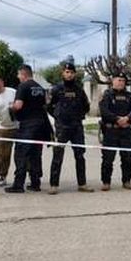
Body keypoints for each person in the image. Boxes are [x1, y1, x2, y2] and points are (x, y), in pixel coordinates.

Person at [47, 63, 94, 194]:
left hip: (76, 127)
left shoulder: (79, 90)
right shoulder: (56, 89)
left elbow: (86, 106)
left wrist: (77, 116)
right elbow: (49, 106)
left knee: (80, 156)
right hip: (62, 127)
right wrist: (58, 116)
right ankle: (54, 185)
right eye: (67, 72)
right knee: (57, 156)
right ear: (63, 73)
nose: (69, 74)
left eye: (71, 72)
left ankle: (82, 184)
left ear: (75, 74)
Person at [6, 65, 51, 193]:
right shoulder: (40, 88)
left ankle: (18, 185)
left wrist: (11, 107)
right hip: (41, 125)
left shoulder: (23, 86)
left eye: (19, 75)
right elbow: (45, 104)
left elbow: (18, 106)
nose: (18, 77)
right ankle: (35, 182)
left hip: (27, 126)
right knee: (36, 155)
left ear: (23, 74)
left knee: (21, 154)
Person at [99, 74, 131, 191]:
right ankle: (106, 182)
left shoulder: (129, 96)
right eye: (119, 80)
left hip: (125, 131)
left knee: (127, 158)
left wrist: (127, 118)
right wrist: (117, 119)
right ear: (113, 81)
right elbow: (104, 111)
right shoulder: (106, 95)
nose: (121, 82)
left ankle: (126, 181)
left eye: (123, 80)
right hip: (111, 130)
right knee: (108, 159)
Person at [0, 76, 18, 187]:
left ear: (2, 82)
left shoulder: (13, 92)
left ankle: (24, 175)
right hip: (3, 128)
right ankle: (2, 176)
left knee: (22, 154)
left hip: (18, 127)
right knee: (3, 155)